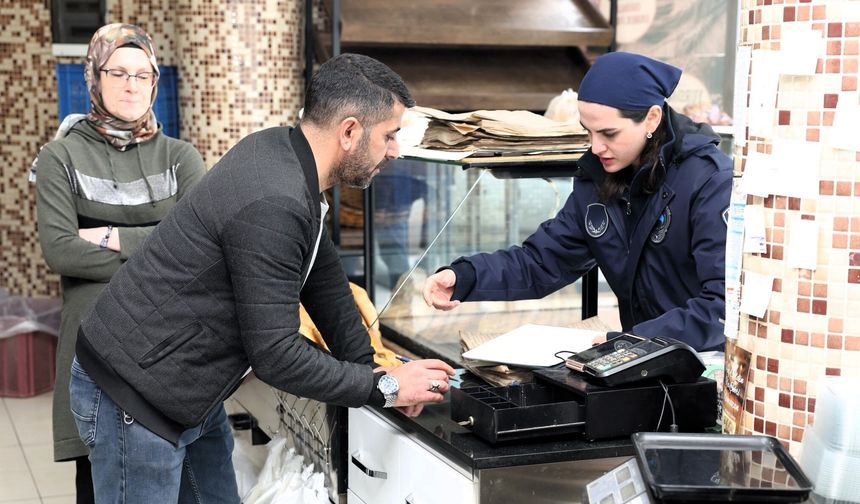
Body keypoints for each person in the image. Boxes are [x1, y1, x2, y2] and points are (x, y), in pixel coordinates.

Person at [70, 52, 455, 503]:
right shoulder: (276, 199)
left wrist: (370, 363)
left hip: (189, 389)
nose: (394, 150)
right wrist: (383, 387)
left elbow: (323, 278)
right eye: (389, 135)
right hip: (134, 396)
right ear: (349, 131)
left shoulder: (285, 153)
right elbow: (275, 354)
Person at [422, 52, 732, 352]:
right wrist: (465, 277)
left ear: (652, 118)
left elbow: (722, 306)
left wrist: (633, 340)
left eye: (609, 133)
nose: (596, 147)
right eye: (589, 132)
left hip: (700, 364)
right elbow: (543, 261)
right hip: (639, 362)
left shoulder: (707, 180)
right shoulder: (597, 180)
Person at [35, 23, 207, 503]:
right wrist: (161, 249)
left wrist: (110, 235)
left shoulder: (180, 157)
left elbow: (200, 253)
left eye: (143, 74)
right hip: (93, 351)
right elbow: (60, 251)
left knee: (184, 485)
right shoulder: (60, 157)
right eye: (118, 72)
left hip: (172, 351)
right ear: (95, 76)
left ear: (155, 82)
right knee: (99, 487)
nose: (132, 84)